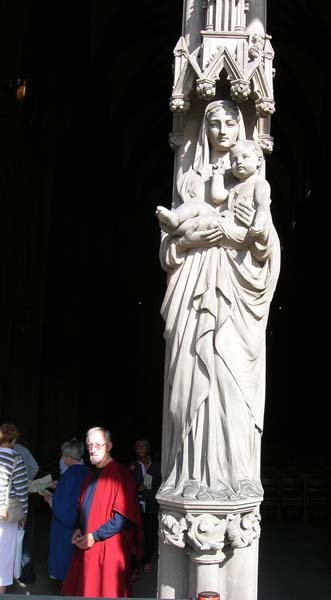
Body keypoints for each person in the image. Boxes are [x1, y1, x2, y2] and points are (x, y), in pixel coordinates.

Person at [157, 99, 281, 501]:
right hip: (193, 291)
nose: (223, 130)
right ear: (205, 131)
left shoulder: (255, 184)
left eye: (231, 122)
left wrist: (241, 237)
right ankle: (190, 473)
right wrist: (189, 241)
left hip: (234, 295)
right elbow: (168, 249)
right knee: (191, 374)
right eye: (214, 124)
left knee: (228, 377)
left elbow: (266, 245)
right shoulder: (191, 181)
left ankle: (234, 474)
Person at [61, 427, 143, 598]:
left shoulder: (120, 474)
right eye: (90, 445)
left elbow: (123, 517)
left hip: (109, 547)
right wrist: (78, 528)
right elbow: (82, 508)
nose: (93, 449)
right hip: (87, 546)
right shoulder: (91, 475)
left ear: (109, 446)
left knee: (106, 592)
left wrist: (95, 536)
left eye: (98, 444)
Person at [43, 438, 90, 583]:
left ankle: (67, 585)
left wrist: (49, 499)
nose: (62, 458)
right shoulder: (87, 472)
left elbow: (63, 504)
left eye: (64, 455)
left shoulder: (69, 475)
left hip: (66, 524)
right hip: (83, 519)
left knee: (65, 554)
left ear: (69, 457)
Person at [211, 138, 271, 237]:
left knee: (209, 222)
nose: (239, 162)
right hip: (229, 224)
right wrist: (217, 176)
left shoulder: (259, 183)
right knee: (200, 208)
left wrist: (258, 223)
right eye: (234, 160)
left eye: (245, 157)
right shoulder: (233, 187)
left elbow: (262, 205)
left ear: (259, 160)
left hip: (243, 230)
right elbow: (217, 197)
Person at [0, 424, 28, 595]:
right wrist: (23, 515)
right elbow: (21, 491)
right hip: (6, 515)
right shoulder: (16, 459)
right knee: (3, 560)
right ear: (14, 440)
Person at [128, 437, 161, 579]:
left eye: (144, 446)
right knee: (136, 534)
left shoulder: (156, 466)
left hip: (152, 504)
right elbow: (126, 485)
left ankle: (147, 560)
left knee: (150, 533)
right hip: (137, 504)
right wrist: (137, 488)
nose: (141, 449)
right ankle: (135, 564)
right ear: (135, 449)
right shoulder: (131, 466)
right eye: (138, 446)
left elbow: (162, 482)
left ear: (148, 449)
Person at [13, 440, 39, 584]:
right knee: (26, 537)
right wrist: (26, 480)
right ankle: (26, 574)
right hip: (23, 498)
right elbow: (35, 467)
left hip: (5, 502)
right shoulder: (22, 449)